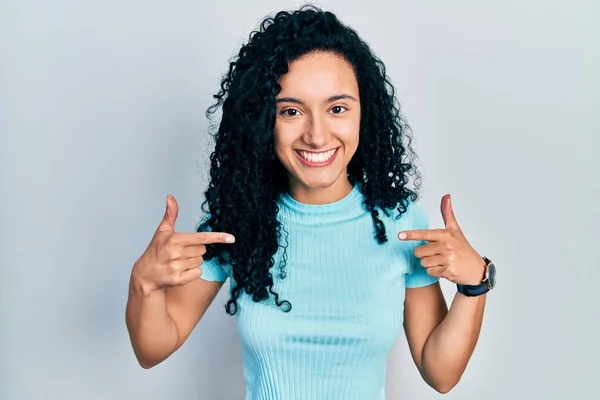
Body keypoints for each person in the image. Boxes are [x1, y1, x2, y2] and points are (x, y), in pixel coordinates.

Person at [125, 5, 497, 399]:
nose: (317, 136)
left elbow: (440, 372)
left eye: (336, 109)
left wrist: (476, 282)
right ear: (261, 121)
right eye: (291, 111)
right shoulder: (238, 221)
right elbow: (153, 348)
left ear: (362, 115)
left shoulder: (400, 222)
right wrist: (143, 284)